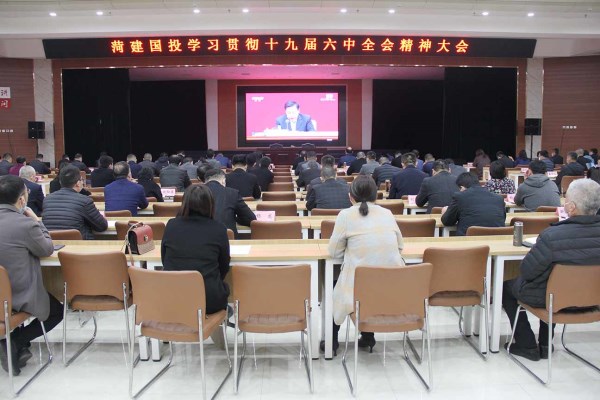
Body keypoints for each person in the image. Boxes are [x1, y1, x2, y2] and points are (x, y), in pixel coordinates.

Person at [502, 179, 600, 361]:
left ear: (571, 207)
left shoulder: (552, 236)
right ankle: (547, 344)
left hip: (554, 300)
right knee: (551, 286)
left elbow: (528, 272)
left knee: (507, 287)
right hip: (594, 300)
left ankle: (527, 344)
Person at [328, 175, 405, 354]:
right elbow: (400, 246)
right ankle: (368, 336)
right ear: (376, 195)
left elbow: (333, 252)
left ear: (350, 196)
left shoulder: (345, 215)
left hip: (359, 288)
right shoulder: (387, 213)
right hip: (391, 286)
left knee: (336, 284)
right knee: (369, 281)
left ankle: (331, 341)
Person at [0, 175, 62, 376]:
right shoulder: (25, 224)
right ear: (21, 200)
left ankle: (15, 345)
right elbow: (46, 249)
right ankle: (14, 342)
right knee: (56, 312)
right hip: (17, 293)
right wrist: (37, 221)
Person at [161, 184, 230, 314]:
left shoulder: (171, 225)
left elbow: (165, 260)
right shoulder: (219, 229)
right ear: (211, 204)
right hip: (208, 299)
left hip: (173, 296)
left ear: (184, 203)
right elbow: (224, 266)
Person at [42, 165, 107, 239]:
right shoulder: (85, 201)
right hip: (80, 246)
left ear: (60, 182)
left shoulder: (47, 199)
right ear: (78, 183)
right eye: (81, 180)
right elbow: (102, 226)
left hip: (52, 246)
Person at [441, 172, 506, 236]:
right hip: (496, 242)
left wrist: (445, 212)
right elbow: (503, 219)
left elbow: (447, 221)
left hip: (468, 243)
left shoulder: (460, 197)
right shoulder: (499, 198)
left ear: (462, 187)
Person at [204, 169, 256, 238]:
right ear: (223, 181)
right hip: (227, 240)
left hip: (200, 238)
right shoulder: (232, 193)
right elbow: (250, 218)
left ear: (205, 182)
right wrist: (235, 218)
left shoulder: (193, 193)